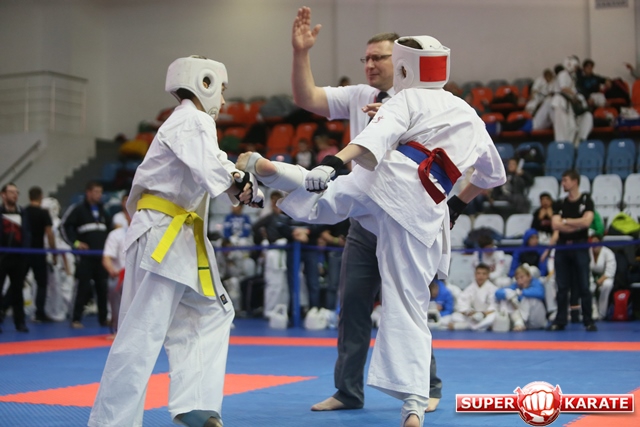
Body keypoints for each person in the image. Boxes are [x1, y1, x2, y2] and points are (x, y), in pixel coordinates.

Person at [237, 34, 506, 426]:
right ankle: (414, 403)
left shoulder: (404, 100)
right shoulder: (468, 114)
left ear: (403, 66)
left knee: (325, 198)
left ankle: (278, 171)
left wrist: (333, 163)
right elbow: (492, 174)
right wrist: (458, 205)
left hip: (379, 179)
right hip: (423, 207)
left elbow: (371, 141)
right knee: (407, 304)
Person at [88, 55, 262, 427]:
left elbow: (215, 164)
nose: (224, 100)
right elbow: (214, 168)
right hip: (161, 233)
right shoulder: (192, 119)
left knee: (211, 312)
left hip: (178, 235)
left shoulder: (189, 123)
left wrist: (243, 183)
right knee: (142, 333)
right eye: (222, 90)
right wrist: (241, 183)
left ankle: (195, 405)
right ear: (204, 83)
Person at [290, 6, 446, 415]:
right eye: (367, 58)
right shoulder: (360, 96)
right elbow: (306, 98)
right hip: (363, 223)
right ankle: (348, 391)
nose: (370, 64)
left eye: (379, 57)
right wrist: (301, 52)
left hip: (405, 221)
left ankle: (427, 387)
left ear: (402, 61)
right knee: (353, 308)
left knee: (408, 307)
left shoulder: (422, 103)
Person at [547, 169, 597, 332]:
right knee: (562, 286)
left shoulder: (586, 200)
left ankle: (588, 320)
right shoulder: (560, 203)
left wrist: (566, 221)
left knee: (584, 285)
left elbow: (587, 223)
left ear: (575, 181)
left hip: (580, 245)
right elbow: (555, 225)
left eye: (566, 180)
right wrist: (576, 223)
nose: (563, 183)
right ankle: (560, 320)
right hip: (562, 246)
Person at [61, 180, 111, 329]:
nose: (99, 195)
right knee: (82, 287)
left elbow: (110, 231)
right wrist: (75, 243)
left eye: (100, 192)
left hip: (101, 257)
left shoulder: (103, 211)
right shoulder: (78, 210)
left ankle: (103, 319)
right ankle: (76, 319)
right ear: (88, 192)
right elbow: (64, 227)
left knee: (102, 288)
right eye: (96, 192)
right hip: (86, 257)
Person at [24, 186, 58, 322]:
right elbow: (49, 234)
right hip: (38, 251)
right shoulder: (43, 213)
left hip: (24, 251)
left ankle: (3, 308)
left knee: (17, 281)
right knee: (42, 283)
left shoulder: (24, 212)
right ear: (40, 197)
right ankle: (39, 312)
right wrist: (54, 252)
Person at [0, 183, 30, 333]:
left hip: (18, 258)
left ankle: (20, 322)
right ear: (3, 195)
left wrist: (25, 252)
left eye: (16, 192)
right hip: (1, 257)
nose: (15, 195)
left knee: (17, 291)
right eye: (11, 192)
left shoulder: (22, 213)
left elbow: (27, 234)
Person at [101, 195, 130, 338]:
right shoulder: (116, 234)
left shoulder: (148, 233)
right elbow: (106, 257)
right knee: (114, 286)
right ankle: (118, 328)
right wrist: (112, 270)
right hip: (120, 275)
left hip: (142, 276)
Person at [442, 264, 498, 331]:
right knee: (455, 316)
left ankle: (464, 326)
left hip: (485, 315)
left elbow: (494, 307)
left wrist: (483, 314)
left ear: (488, 275)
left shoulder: (493, 289)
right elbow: (462, 305)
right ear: (475, 274)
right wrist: (469, 313)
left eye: (484, 274)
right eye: (478, 273)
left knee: (494, 317)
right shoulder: (469, 288)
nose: (481, 276)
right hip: (472, 316)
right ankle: (480, 327)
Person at [495, 264, 547, 331]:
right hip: (526, 321)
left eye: (522, 277)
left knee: (528, 298)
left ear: (529, 277)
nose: (519, 281)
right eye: (517, 278)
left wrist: (521, 292)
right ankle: (518, 323)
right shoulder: (516, 286)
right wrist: (508, 294)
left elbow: (540, 293)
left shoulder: (536, 282)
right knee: (508, 297)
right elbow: (498, 293)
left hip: (537, 320)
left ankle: (520, 322)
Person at [589, 234, 616, 320]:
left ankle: (602, 313)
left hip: (605, 277)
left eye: (596, 242)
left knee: (607, 285)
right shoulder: (587, 252)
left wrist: (599, 282)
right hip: (591, 277)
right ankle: (592, 311)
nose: (594, 245)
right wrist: (593, 281)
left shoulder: (608, 253)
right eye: (592, 243)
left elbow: (610, 271)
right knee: (588, 286)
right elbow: (585, 269)